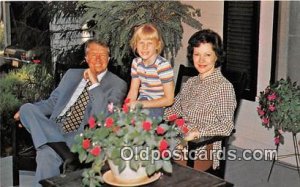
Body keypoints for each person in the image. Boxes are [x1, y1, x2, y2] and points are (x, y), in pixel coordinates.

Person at [14, 39, 127, 186]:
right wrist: (25, 114)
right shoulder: (72, 74)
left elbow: (103, 116)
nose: (98, 59)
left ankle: (62, 152)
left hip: (80, 135)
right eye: (93, 54)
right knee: (26, 108)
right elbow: (52, 103)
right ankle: (67, 155)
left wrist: (94, 83)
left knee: (46, 154)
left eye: (103, 55)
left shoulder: (117, 84)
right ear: (86, 58)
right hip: (54, 127)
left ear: (109, 58)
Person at [164, 29, 236, 171]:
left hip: (202, 146)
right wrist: (151, 115)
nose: (201, 60)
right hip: (179, 138)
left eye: (207, 55)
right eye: (197, 54)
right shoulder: (190, 83)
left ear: (217, 56)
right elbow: (174, 110)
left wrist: (198, 132)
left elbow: (227, 126)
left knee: (152, 156)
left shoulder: (223, 87)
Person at [126, 23, 175, 118]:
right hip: (142, 101)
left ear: (157, 45)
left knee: (140, 125)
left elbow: (169, 100)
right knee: (123, 120)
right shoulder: (136, 63)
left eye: (149, 43)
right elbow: (133, 91)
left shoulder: (162, 65)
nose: (145, 47)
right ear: (135, 45)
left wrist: (141, 104)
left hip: (158, 105)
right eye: (141, 43)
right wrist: (126, 107)